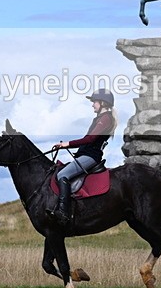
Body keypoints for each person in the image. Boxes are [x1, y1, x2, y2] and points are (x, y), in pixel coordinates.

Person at [46, 88, 118, 226]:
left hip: (91, 156)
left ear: (102, 103)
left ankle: (63, 212)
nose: (92, 105)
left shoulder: (106, 118)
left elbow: (89, 139)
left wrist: (66, 144)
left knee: (63, 175)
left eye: (94, 102)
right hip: (87, 154)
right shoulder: (100, 118)